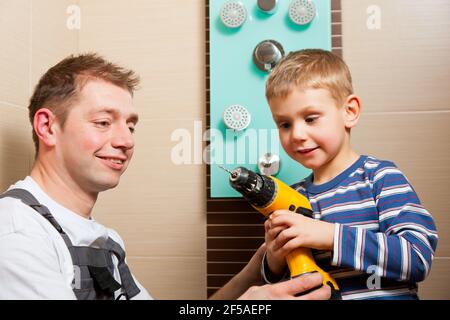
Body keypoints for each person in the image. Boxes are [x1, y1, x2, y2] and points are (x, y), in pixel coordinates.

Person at [0, 53, 331, 300]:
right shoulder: (17, 233)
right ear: (47, 127)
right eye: (103, 122)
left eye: (130, 125)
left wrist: (256, 271)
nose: (126, 140)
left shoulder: (103, 240)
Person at [261, 49, 438, 300]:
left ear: (350, 111)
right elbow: (282, 284)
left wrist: (330, 236)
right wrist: (274, 259)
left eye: (310, 119)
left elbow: (417, 257)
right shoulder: (292, 197)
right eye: (284, 124)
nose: (297, 134)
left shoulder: (381, 178)